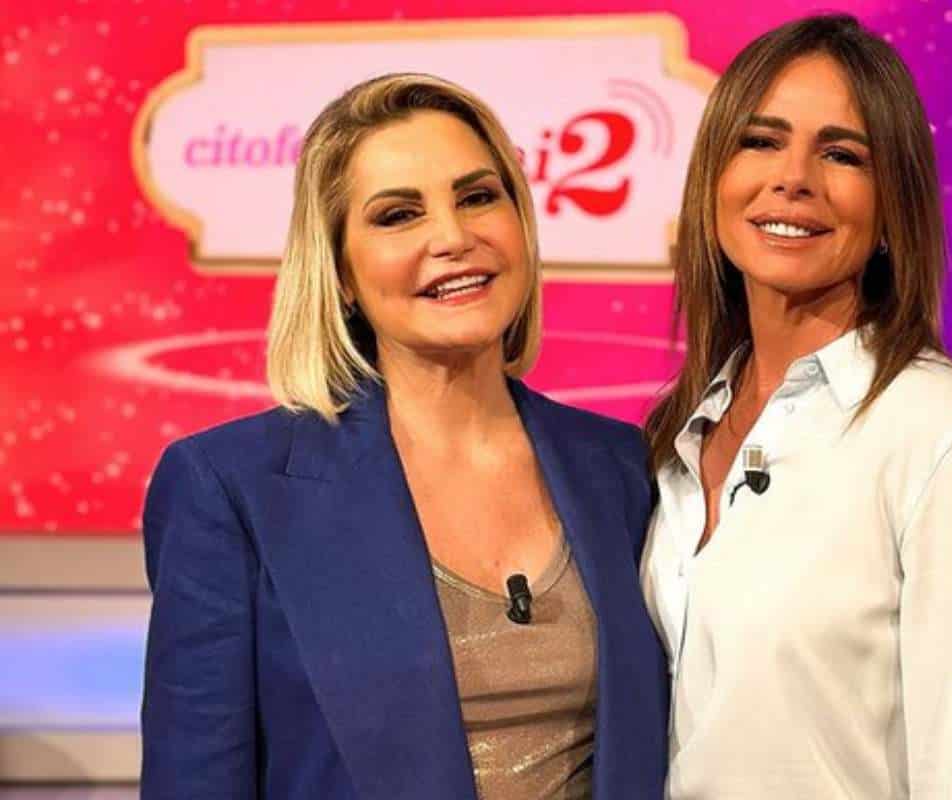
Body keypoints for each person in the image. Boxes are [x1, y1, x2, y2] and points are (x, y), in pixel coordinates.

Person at [140, 73, 667, 800]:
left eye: (478, 197)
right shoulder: (230, 489)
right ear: (341, 272)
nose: (453, 238)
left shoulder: (622, 466)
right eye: (398, 215)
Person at [640, 14, 952, 799]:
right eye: (760, 141)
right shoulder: (679, 431)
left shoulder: (947, 437)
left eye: (841, 154)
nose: (793, 178)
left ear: (892, 204)